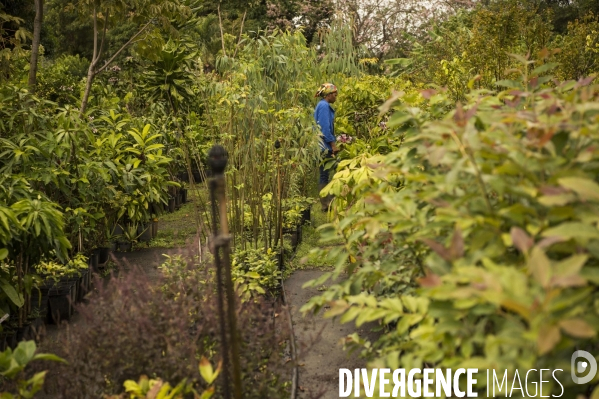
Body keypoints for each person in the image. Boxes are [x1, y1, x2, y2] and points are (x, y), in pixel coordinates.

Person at [314, 83, 338, 212]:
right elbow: (324, 127)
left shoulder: (323, 105)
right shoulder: (323, 106)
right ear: (328, 95)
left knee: (325, 173)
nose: (336, 97)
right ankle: (327, 204)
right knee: (329, 172)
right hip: (323, 146)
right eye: (334, 94)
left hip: (322, 145)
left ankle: (328, 203)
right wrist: (333, 144)